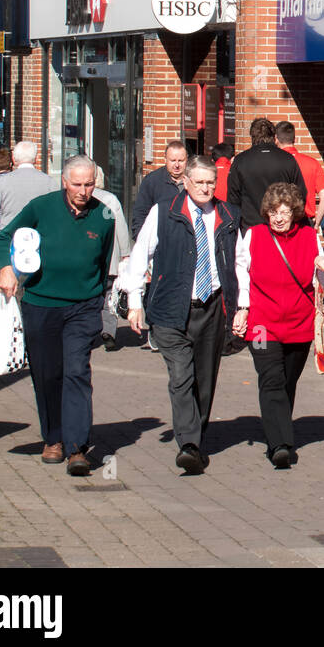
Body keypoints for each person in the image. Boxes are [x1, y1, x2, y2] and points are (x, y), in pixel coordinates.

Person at [0, 155, 119, 476]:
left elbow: (104, 262)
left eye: (89, 184)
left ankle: (77, 447)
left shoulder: (104, 214)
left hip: (83, 305)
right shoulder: (41, 207)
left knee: (77, 371)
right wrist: (6, 268)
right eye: (76, 184)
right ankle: (53, 438)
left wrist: (97, 294)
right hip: (41, 302)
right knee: (47, 373)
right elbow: (4, 236)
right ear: (64, 182)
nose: (83, 190)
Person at [121, 156, 240, 474]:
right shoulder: (165, 212)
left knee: (204, 379)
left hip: (212, 307)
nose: (205, 188)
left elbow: (241, 263)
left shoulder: (228, 215)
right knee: (181, 376)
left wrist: (242, 306)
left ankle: (195, 440)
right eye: (199, 182)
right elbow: (140, 254)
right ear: (185, 181)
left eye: (210, 182)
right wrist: (134, 300)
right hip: (172, 307)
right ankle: (188, 443)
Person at [232, 182, 324, 469]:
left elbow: (321, 279)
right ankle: (280, 445)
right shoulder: (253, 235)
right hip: (263, 323)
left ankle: (277, 424)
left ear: (295, 212)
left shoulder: (308, 237)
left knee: (288, 381)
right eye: (274, 211)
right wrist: (242, 307)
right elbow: (241, 272)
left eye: (284, 211)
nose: (278, 217)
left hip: (299, 323)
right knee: (271, 379)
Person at [0, 141, 58, 261]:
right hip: (38, 240)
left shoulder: (3, 182)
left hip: (9, 239)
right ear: (36, 159)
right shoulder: (49, 182)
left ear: (14, 160)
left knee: (5, 277)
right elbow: (57, 212)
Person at [226, 118, 306, 231]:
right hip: (281, 225)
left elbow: (233, 198)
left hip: (250, 226)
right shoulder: (288, 159)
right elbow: (300, 194)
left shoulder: (240, 160)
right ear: (274, 137)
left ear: (252, 137)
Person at [92, 165, 132, 351]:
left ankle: (91, 329)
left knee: (92, 295)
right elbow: (122, 228)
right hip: (111, 258)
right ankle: (108, 330)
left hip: (91, 260)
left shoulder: (81, 199)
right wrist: (125, 252)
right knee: (110, 294)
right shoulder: (110, 199)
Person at [274, 121, 324, 229]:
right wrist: (317, 223)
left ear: (276, 138)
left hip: (280, 221)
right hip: (305, 221)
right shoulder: (312, 163)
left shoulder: (274, 162)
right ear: (294, 139)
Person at [131, 140, 189, 236]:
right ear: (165, 159)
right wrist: (141, 240)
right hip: (161, 240)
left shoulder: (193, 180)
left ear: (186, 159)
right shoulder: (152, 181)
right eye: (173, 160)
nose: (177, 165)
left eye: (181, 161)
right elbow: (140, 214)